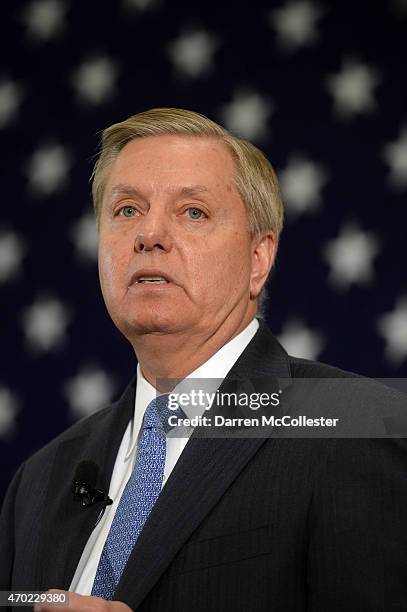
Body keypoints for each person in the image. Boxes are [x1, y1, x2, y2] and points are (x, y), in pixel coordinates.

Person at [1, 108, 407, 612]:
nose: (149, 234)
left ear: (258, 259)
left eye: (192, 211)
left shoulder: (355, 424)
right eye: (126, 209)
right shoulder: (39, 481)